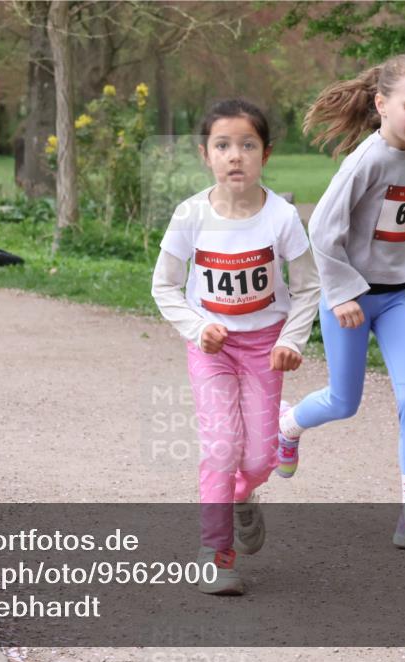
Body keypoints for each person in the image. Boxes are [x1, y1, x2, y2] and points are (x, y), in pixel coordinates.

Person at [277, 53, 405, 554]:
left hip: (396, 300)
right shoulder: (366, 161)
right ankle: (287, 425)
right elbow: (321, 230)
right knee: (343, 402)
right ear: (381, 105)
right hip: (349, 301)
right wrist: (341, 293)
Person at [151, 99, 321, 595]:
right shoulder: (191, 215)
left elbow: (308, 287)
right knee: (221, 447)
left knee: (259, 459)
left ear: (265, 154)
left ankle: (240, 496)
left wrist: (291, 340)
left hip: (266, 347)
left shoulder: (282, 217)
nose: (235, 156)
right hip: (213, 349)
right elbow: (164, 286)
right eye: (223, 145)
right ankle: (215, 551)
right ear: (205, 154)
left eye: (247, 145)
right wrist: (197, 327)